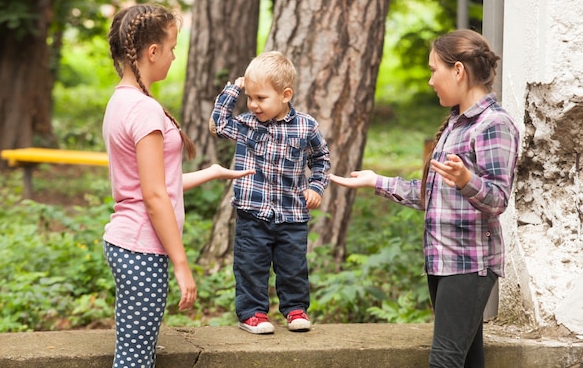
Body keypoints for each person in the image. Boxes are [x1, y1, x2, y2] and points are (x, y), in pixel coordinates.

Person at [330, 29, 519, 368]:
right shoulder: (456, 124)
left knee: (444, 362)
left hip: (469, 265)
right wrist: (377, 180)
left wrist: (466, 180)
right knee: (467, 361)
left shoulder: (493, 125)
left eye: (434, 70)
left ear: (458, 70)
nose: (431, 80)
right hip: (443, 263)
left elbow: (498, 200)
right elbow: (430, 195)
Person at [102, 3, 254, 368]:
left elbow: (154, 184)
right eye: (172, 47)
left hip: (128, 243)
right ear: (152, 52)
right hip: (143, 248)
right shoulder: (144, 110)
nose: (173, 56)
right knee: (136, 360)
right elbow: (154, 197)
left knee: (132, 354)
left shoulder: (122, 101)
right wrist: (181, 263)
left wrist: (213, 171)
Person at [209, 51, 331, 334]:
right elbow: (219, 124)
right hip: (253, 213)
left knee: (293, 266)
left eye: (261, 98)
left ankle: (295, 309)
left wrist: (316, 186)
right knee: (251, 266)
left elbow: (321, 159)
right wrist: (234, 89)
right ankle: (252, 314)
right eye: (250, 97)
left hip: (292, 215)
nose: (253, 105)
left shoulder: (306, 127)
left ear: (285, 94)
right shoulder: (247, 125)